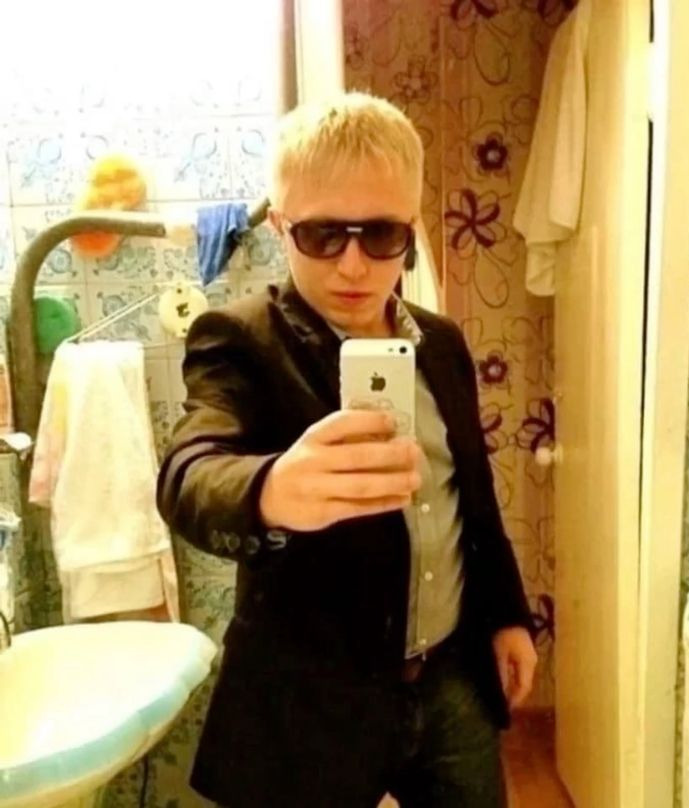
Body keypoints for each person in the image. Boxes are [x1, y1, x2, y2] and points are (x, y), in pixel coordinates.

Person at [157, 91, 537, 808]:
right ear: (281, 226)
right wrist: (270, 489)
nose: (354, 265)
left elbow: (472, 499)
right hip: (311, 704)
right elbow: (189, 472)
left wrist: (507, 614)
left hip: (450, 680)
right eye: (323, 235)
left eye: (382, 234)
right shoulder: (239, 340)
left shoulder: (442, 343)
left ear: (410, 229)